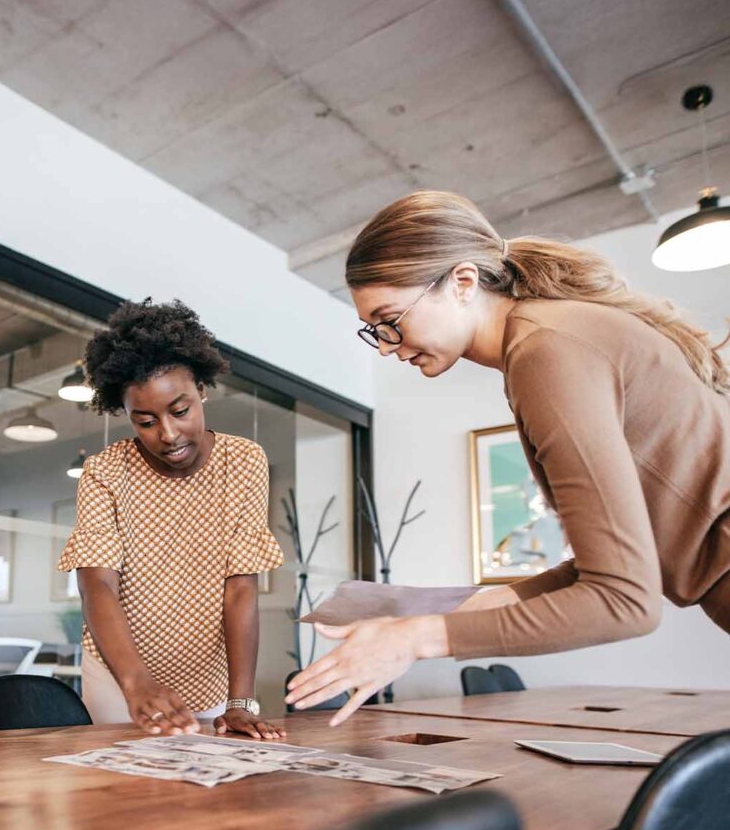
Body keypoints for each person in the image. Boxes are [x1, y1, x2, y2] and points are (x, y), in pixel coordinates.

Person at [286, 189, 730, 725]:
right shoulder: (549, 337)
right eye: (373, 330)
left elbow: (624, 602)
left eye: (390, 319)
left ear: (463, 282)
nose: (384, 344)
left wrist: (416, 639)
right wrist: (433, 614)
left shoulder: (546, 353)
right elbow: (604, 572)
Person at [58, 299, 286, 739]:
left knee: (211, 798)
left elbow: (240, 588)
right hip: (120, 680)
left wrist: (240, 703)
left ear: (201, 389)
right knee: (127, 798)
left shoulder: (243, 461)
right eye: (145, 421)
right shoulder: (105, 472)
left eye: (179, 411)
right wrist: (135, 681)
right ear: (125, 415)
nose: (167, 433)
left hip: (213, 682)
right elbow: (97, 584)